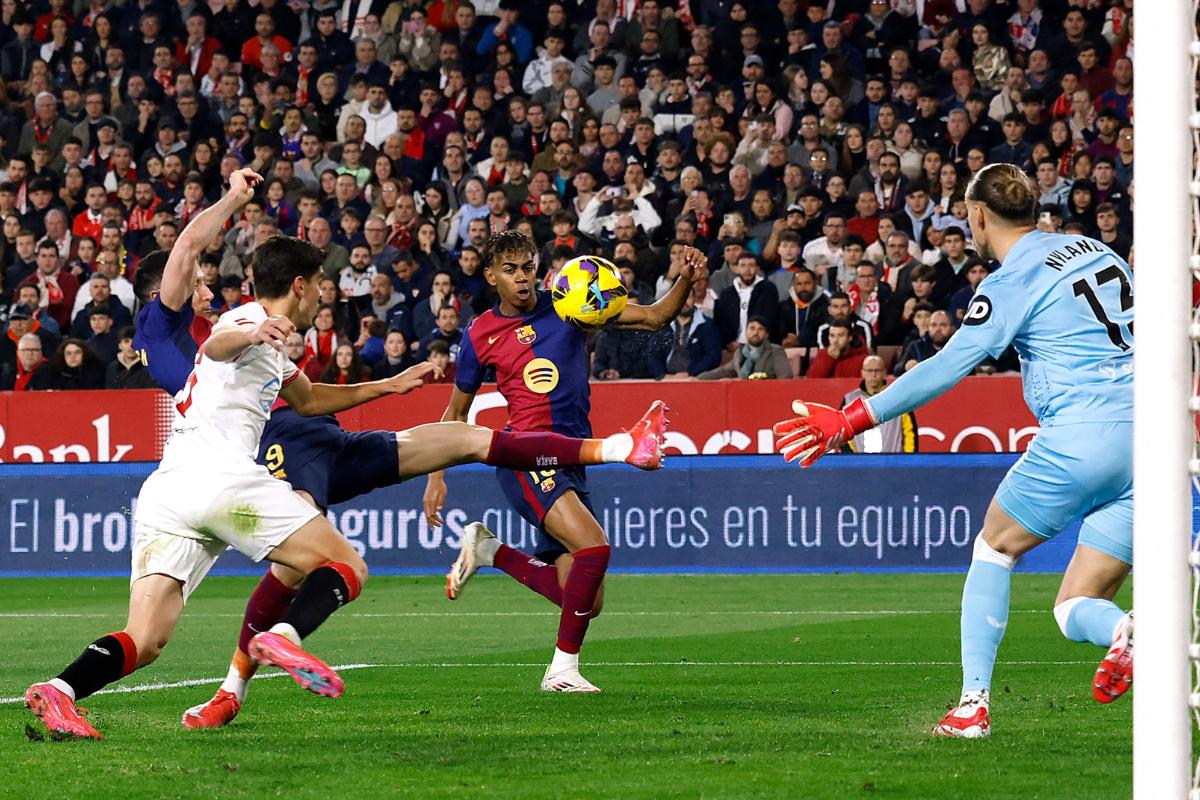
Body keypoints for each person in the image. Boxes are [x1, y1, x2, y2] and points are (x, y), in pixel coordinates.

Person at [774, 163, 1134, 738]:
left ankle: (972, 707)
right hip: (1154, 443)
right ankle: (1127, 631)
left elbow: (947, 366)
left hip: (1081, 433)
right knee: (1074, 607)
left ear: (977, 214)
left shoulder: (1012, 281)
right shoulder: (1096, 250)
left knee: (993, 549)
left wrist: (851, 417)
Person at [426, 230, 707, 693]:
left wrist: (685, 278)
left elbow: (656, 316)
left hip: (572, 458)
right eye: (511, 270)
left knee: (587, 599)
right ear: (490, 275)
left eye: (528, 267)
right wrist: (435, 475)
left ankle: (490, 552)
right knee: (595, 549)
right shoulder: (479, 335)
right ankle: (562, 671)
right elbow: (455, 414)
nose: (522, 278)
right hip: (528, 457)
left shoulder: (569, 304)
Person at [840, 355, 916, 453]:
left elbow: (909, 433)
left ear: (884, 372)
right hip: (859, 463)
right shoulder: (849, 400)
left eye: (877, 370)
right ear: (862, 372)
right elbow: (843, 433)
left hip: (894, 464)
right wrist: (852, 459)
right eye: (869, 370)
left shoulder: (898, 398)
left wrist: (908, 461)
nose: (874, 374)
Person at [696, 317, 791, 380]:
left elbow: (785, 376)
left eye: (760, 329)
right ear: (746, 332)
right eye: (752, 328)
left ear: (766, 335)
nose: (756, 333)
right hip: (743, 396)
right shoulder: (740, 353)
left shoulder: (775, 351)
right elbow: (725, 371)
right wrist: (698, 379)